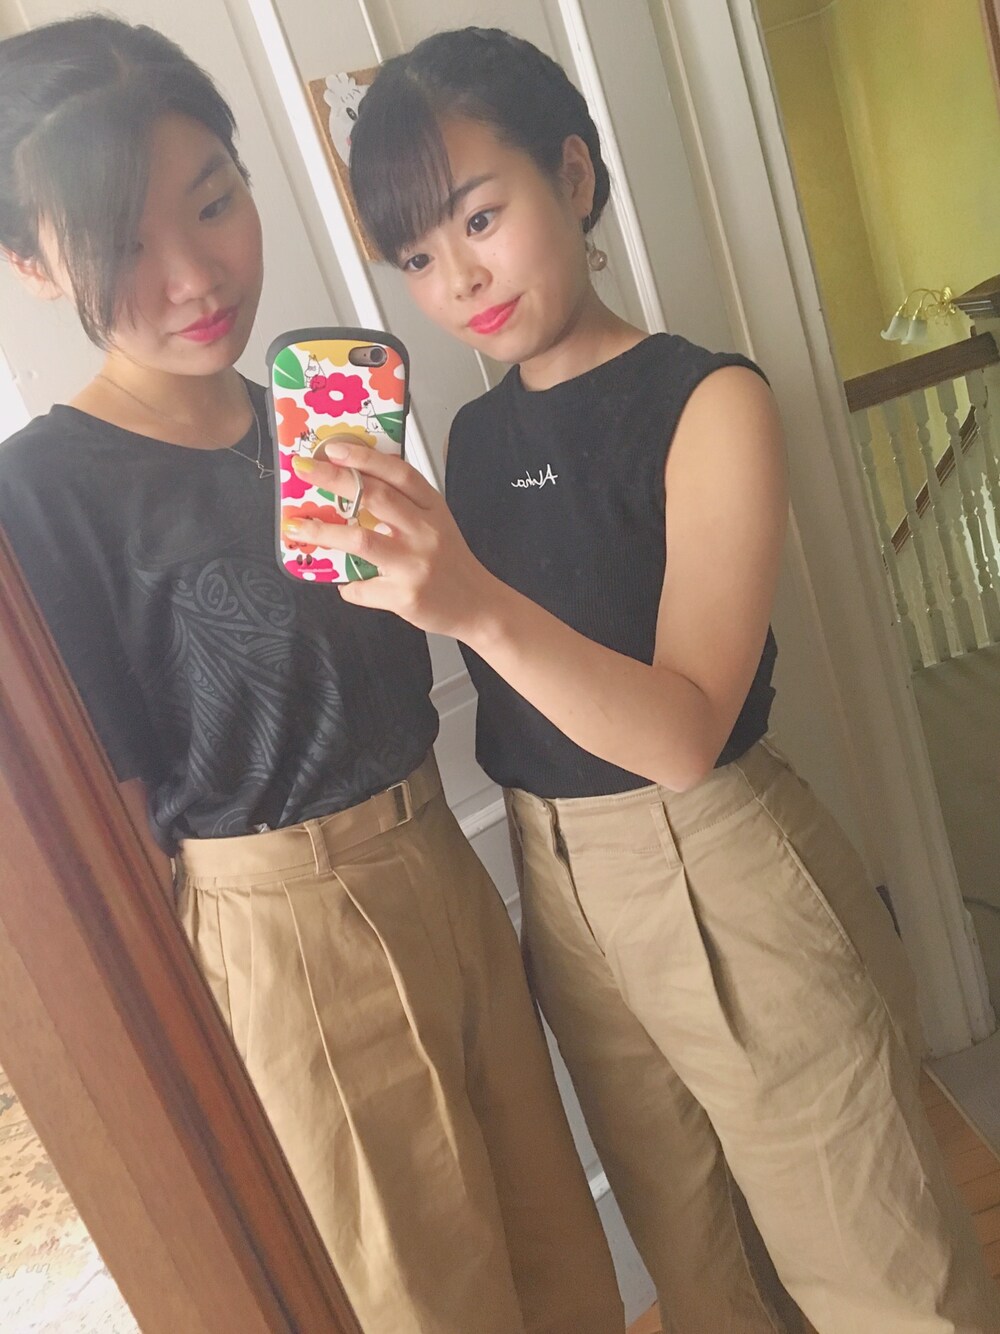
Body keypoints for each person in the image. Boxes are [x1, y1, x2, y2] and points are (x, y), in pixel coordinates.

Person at [285, 26, 1000, 1333]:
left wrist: (471, 599)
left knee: (883, 1274)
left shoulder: (709, 399)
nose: (459, 279)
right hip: (558, 881)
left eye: (480, 217)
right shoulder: (473, 437)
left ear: (573, 175)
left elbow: (682, 733)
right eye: (420, 256)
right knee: (697, 1268)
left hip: (717, 860)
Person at [0, 18, 625, 1334]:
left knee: (564, 1265)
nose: (194, 276)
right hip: (281, 932)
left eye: (212, 202)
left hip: (444, 864)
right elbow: (113, 832)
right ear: (33, 264)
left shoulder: (321, 404)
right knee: (425, 1305)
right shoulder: (42, 493)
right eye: (122, 245)